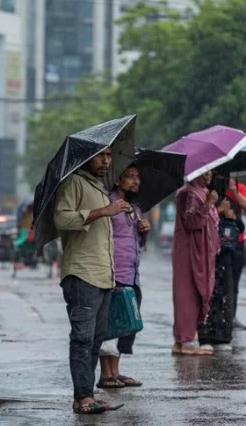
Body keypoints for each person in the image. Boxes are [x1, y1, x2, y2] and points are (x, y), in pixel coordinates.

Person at [53, 147, 129, 415]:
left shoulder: (100, 188)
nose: (107, 161)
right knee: (82, 339)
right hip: (82, 275)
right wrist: (102, 211)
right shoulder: (74, 183)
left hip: (102, 277)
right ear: (87, 158)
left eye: (110, 155)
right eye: (101, 155)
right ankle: (82, 397)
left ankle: (85, 396)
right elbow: (61, 218)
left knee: (96, 341)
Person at [98, 164, 149, 389]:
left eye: (138, 177)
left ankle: (115, 371)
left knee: (126, 321)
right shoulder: (108, 203)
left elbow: (137, 244)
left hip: (132, 274)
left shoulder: (134, 208)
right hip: (114, 272)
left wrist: (144, 233)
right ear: (118, 180)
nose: (136, 181)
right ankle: (105, 374)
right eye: (130, 177)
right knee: (111, 322)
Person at [171, 170, 220, 356]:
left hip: (200, 251)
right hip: (190, 252)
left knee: (193, 294)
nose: (208, 175)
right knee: (188, 294)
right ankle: (186, 341)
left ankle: (181, 339)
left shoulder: (202, 191)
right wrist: (208, 203)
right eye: (204, 171)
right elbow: (192, 222)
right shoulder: (188, 192)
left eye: (210, 172)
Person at [198, 177, 243, 352]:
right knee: (210, 296)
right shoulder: (204, 198)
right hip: (208, 256)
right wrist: (215, 208)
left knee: (226, 296)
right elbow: (200, 220)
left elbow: (240, 226)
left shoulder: (228, 201)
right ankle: (206, 334)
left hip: (226, 258)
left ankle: (223, 334)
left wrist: (231, 216)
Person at [225, 177, 246, 330]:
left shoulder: (240, 187)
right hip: (218, 241)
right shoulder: (214, 186)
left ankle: (231, 315)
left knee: (234, 282)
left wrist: (234, 191)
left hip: (236, 241)